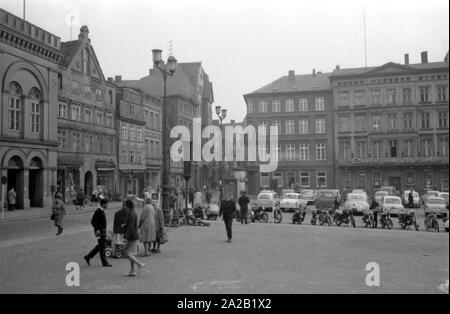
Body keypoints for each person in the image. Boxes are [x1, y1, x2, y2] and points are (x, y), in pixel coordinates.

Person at [84, 198, 112, 267]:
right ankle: (104, 262)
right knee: (102, 246)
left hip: (102, 230)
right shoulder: (98, 211)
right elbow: (93, 221)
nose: (108, 205)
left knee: (101, 245)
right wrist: (97, 229)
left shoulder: (101, 211)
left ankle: (88, 256)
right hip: (100, 231)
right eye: (107, 204)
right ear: (103, 204)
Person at [123, 199, 145, 276]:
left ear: (128, 206)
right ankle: (132, 270)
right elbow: (131, 225)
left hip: (132, 236)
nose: (124, 207)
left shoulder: (132, 214)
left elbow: (131, 228)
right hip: (134, 235)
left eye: (125, 205)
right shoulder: (132, 213)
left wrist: (126, 237)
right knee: (131, 253)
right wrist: (125, 225)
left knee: (127, 253)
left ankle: (139, 264)